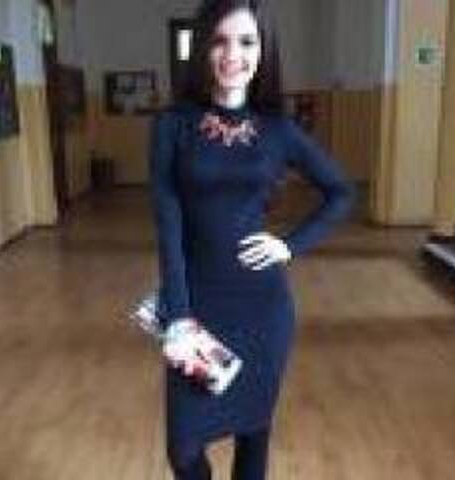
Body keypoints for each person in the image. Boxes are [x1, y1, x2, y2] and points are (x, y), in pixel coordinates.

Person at [149, 0, 354, 478]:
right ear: (203, 48)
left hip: (263, 309)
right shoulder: (172, 125)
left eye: (246, 42)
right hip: (194, 306)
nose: (233, 54)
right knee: (183, 449)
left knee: (253, 436)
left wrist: (289, 245)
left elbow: (341, 192)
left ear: (263, 51)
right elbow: (167, 224)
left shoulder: (278, 130)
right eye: (220, 41)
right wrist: (178, 314)